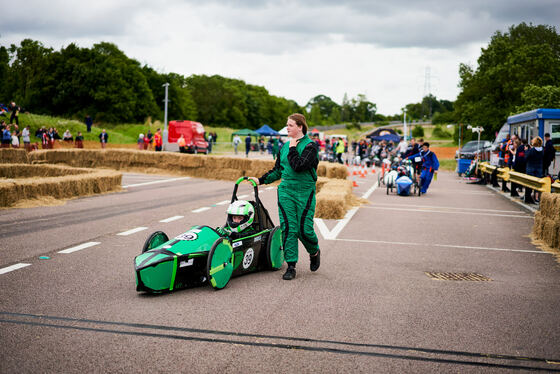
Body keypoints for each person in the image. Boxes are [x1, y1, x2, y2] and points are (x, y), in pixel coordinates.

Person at [249, 113, 320, 280]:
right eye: (287, 125)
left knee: (304, 229)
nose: (287, 128)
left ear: (300, 127)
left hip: (305, 192)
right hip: (286, 191)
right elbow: (278, 171)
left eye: (290, 125)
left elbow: (298, 166)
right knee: (288, 228)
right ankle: (291, 265)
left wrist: (293, 147)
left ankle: (314, 251)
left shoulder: (311, 146)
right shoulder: (283, 147)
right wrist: (260, 180)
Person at [524, 136, 544, 204]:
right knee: (537, 184)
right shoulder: (542, 151)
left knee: (529, 183)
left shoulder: (531, 150)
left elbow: (526, 158)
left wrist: (526, 150)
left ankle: (528, 198)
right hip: (539, 168)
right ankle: (536, 197)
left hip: (530, 167)